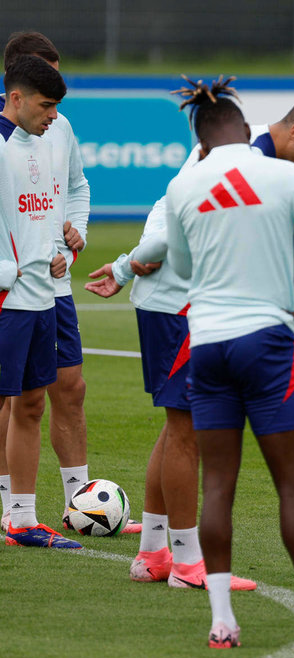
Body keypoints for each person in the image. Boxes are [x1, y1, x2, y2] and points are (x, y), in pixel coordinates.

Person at [159, 76, 294, 651]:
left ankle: (221, 620)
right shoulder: (284, 173)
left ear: (206, 141)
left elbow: (181, 270)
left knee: (219, 489)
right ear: (245, 129)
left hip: (208, 346)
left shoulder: (185, 185)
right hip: (268, 343)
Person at [85, 94, 294, 591]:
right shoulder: (236, 155)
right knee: (188, 432)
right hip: (181, 305)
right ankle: (185, 563)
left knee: (178, 426)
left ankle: (154, 553)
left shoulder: (253, 155)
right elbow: (173, 210)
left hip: (192, 305)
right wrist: (126, 265)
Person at [0, 32, 102, 533]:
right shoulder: (6, 141)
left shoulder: (55, 129)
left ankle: (55, 510)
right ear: (18, 88)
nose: (55, 110)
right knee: (9, 399)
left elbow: (70, 194)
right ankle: (10, 506)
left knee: (50, 394)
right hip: (9, 294)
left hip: (46, 291)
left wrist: (68, 245)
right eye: (47, 96)